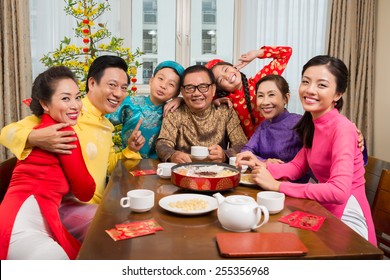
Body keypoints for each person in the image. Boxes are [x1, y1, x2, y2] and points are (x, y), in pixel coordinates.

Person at [0, 55, 145, 241]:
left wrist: (131, 150)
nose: (118, 93)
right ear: (92, 83)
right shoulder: (65, 112)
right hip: (61, 207)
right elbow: (7, 132)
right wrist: (34, 137)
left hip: (94, 206)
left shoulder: (105, 125)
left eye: (123, 88)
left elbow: (108, 166)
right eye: (112, 85)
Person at [237, 55, 376, 246]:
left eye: (322, 85)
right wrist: (259, 164)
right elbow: (296, 166)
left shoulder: (342, 128)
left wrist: (277, 186)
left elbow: (339, 191)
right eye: (306, 82)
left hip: (347, 217)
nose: (310, 90)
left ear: (338, 94)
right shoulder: (312, 122)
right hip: (323, 208)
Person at [0, 66, 96, 259]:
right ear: (45, 104)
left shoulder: (43, 128)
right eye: (65, 98)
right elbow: (86, 191)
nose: (76, 105)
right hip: (21, 229)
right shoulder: (62, 133)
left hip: (15, 218)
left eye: (78, 97)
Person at [156, 65, 248, 164]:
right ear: (182, 91)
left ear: (213, 89)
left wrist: (225, 155)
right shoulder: (175, 112)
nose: (196, 93)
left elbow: (242, 143)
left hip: (218, 172)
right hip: (184, 171)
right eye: (190, 88)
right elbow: (162, 144)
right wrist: (173, 155)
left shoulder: (225, 111)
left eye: (203, 87)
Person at [205, 45, 292, 138]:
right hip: (246, 149)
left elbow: (286, 52)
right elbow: (199, 107)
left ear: (234, 67)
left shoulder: (260, 82)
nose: (227, 76)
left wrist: (257, 53)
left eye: (226, 69)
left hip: (276, 141)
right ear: (219, 89)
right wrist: (213, 103)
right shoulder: (226, 101)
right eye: (221, 80)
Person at [107, 61, 184, 159]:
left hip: (158, 168)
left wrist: (182, 100)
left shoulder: (173, 112)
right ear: (151, 81)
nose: (163, 86)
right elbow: (103, 121)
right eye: (160, 79)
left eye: (171, 84)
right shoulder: (130, 103)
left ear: (176, 92)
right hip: (127, 162)